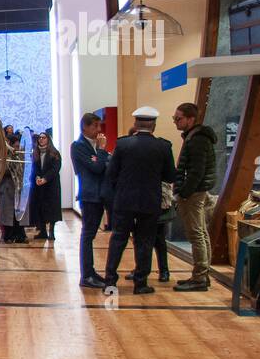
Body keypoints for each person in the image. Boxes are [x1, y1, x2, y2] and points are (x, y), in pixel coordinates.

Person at [101, 106, 177, 296]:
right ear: (154, 125)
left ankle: (110, 282)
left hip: (124, 200)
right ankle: (141, 283)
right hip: (149, 201)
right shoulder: (163, 146)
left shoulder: (123, 144)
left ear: (135, 124)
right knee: (145, 241)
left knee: (118, 239)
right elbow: (169, 176)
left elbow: (111, 173)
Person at [172, 102, 218, 292]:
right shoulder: (195, 137)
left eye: (178, 118)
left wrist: (184, 192)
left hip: (194, 192)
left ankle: (199, 277)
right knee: (201, 232)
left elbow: (196, 171)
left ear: (191, 119)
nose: (175, 122)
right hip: (198, 190)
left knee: (196, 234)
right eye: (174, 118)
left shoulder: (197, 139)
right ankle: (201, 274)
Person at [70, 113, 109, 288]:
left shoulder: (94, 146)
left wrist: (100, 155)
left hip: (99, 195)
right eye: (95, 126)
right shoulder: (78, 146)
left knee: (91, 235)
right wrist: (101, 152)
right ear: (85, 127)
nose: (98, 130)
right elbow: (97, 167)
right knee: (87, 235)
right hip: (89, 195)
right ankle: (86, 275)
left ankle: (91, 271)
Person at [28, 131, 62, 241]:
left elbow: (55, 169)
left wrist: (45, 179)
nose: (41, 139)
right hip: (39, 186)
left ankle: (51, 232)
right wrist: (37, 178)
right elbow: (34, 168)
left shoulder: (54, 153)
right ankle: (42, 231)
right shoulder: (36, 153)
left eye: (43, 137)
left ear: (48, 139)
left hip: (51, 185)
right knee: (40, 208)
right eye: (40, 138)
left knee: (52, 208)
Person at [0, 126, 26, 244]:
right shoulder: (3, 157)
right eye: (15, 146)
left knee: (18, 214)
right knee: (8, 214)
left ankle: (20, 235)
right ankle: (8, 235)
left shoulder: (22, 156)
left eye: (18, 147)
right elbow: (1, 171)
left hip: (19, 190)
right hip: (7, 188)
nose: (17, 149)